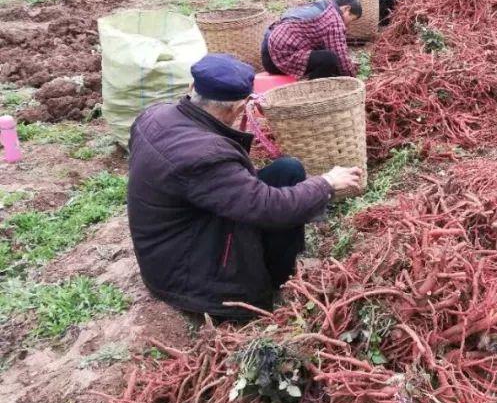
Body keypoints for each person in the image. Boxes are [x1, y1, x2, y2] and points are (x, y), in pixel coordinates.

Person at [127, 54, 365, 321]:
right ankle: (274, 285)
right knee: (280, 212)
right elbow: (270, 207)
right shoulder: (204, 156)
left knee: (287, 170)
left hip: (177, 234)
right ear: (237, 108)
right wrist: (326, 183)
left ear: (191, 89)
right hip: (188, 276)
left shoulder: (154, 115)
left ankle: (283, 264)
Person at [262, 0, 360, 80]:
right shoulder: (334, 20)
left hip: (267, 53)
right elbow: (340, 58)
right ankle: (312, 90)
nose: (348, 25)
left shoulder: (322, 5)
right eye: (351, 19)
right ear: (347, 8)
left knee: (326, 55)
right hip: (275, 62)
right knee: (330, 59)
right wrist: (354, 80)